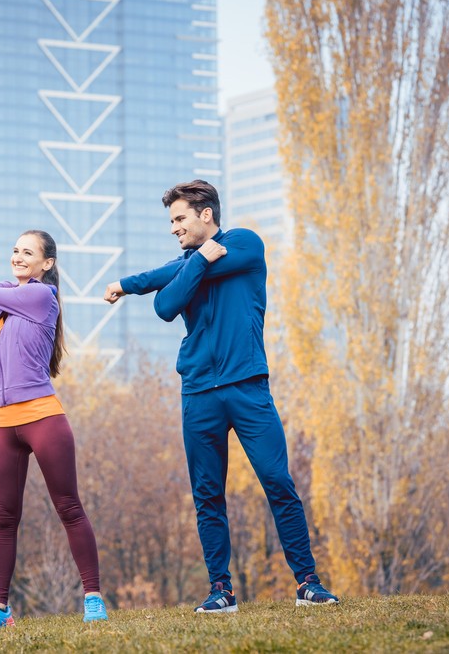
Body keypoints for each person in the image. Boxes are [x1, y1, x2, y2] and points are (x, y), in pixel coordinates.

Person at [104, 180, 339, 613]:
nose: (173, 228)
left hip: (247, 385)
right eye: (171, 221)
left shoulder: (246, 244)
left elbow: (171, 281)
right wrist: (188, 266)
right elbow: (165, 306)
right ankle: (221, 591)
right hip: (198, 393)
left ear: (205, 214)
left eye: (179, 218)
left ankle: (308, 583)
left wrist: (140, 281)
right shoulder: (191, 264)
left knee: (278, 482)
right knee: (207, 494)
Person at [0, 229, 108, 630]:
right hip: (2, 421)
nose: (18, 256)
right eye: (14, 250)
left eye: (27, 252)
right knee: (3, 517)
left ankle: (93, 598)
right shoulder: (0, 303)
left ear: (46, 264)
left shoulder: (41, 296)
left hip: (43, 416)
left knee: (68, 507)